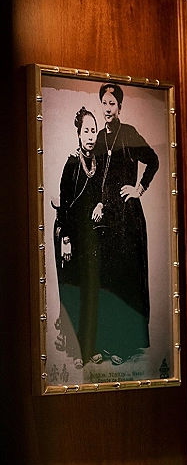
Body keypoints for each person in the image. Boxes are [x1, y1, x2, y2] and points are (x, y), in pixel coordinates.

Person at [93, 82, 159, 365]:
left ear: (120, 106)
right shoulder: (98, 137)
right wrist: (97, 202)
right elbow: (97, 177)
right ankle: (107, 343)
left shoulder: (129, 133)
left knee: (125, 281)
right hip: (106, 220)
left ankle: (125, 344)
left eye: (112, 104)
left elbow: (153, 160)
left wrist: (139, 188)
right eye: (104, 104)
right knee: (108, 280)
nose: (108, 109)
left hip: (127, 219)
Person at [53, 106, 102, 368]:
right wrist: (67, 240)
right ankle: (77, 351)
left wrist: (101, 205)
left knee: (94, 291)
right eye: (86, 131)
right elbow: (64, 205)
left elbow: (102, 193)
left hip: (94, 239)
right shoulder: (71, 165)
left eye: (94, 130)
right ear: (78, 134)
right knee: (78, 293)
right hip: (75, 239)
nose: (91, 135)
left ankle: (91, 347)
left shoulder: (99, 163)